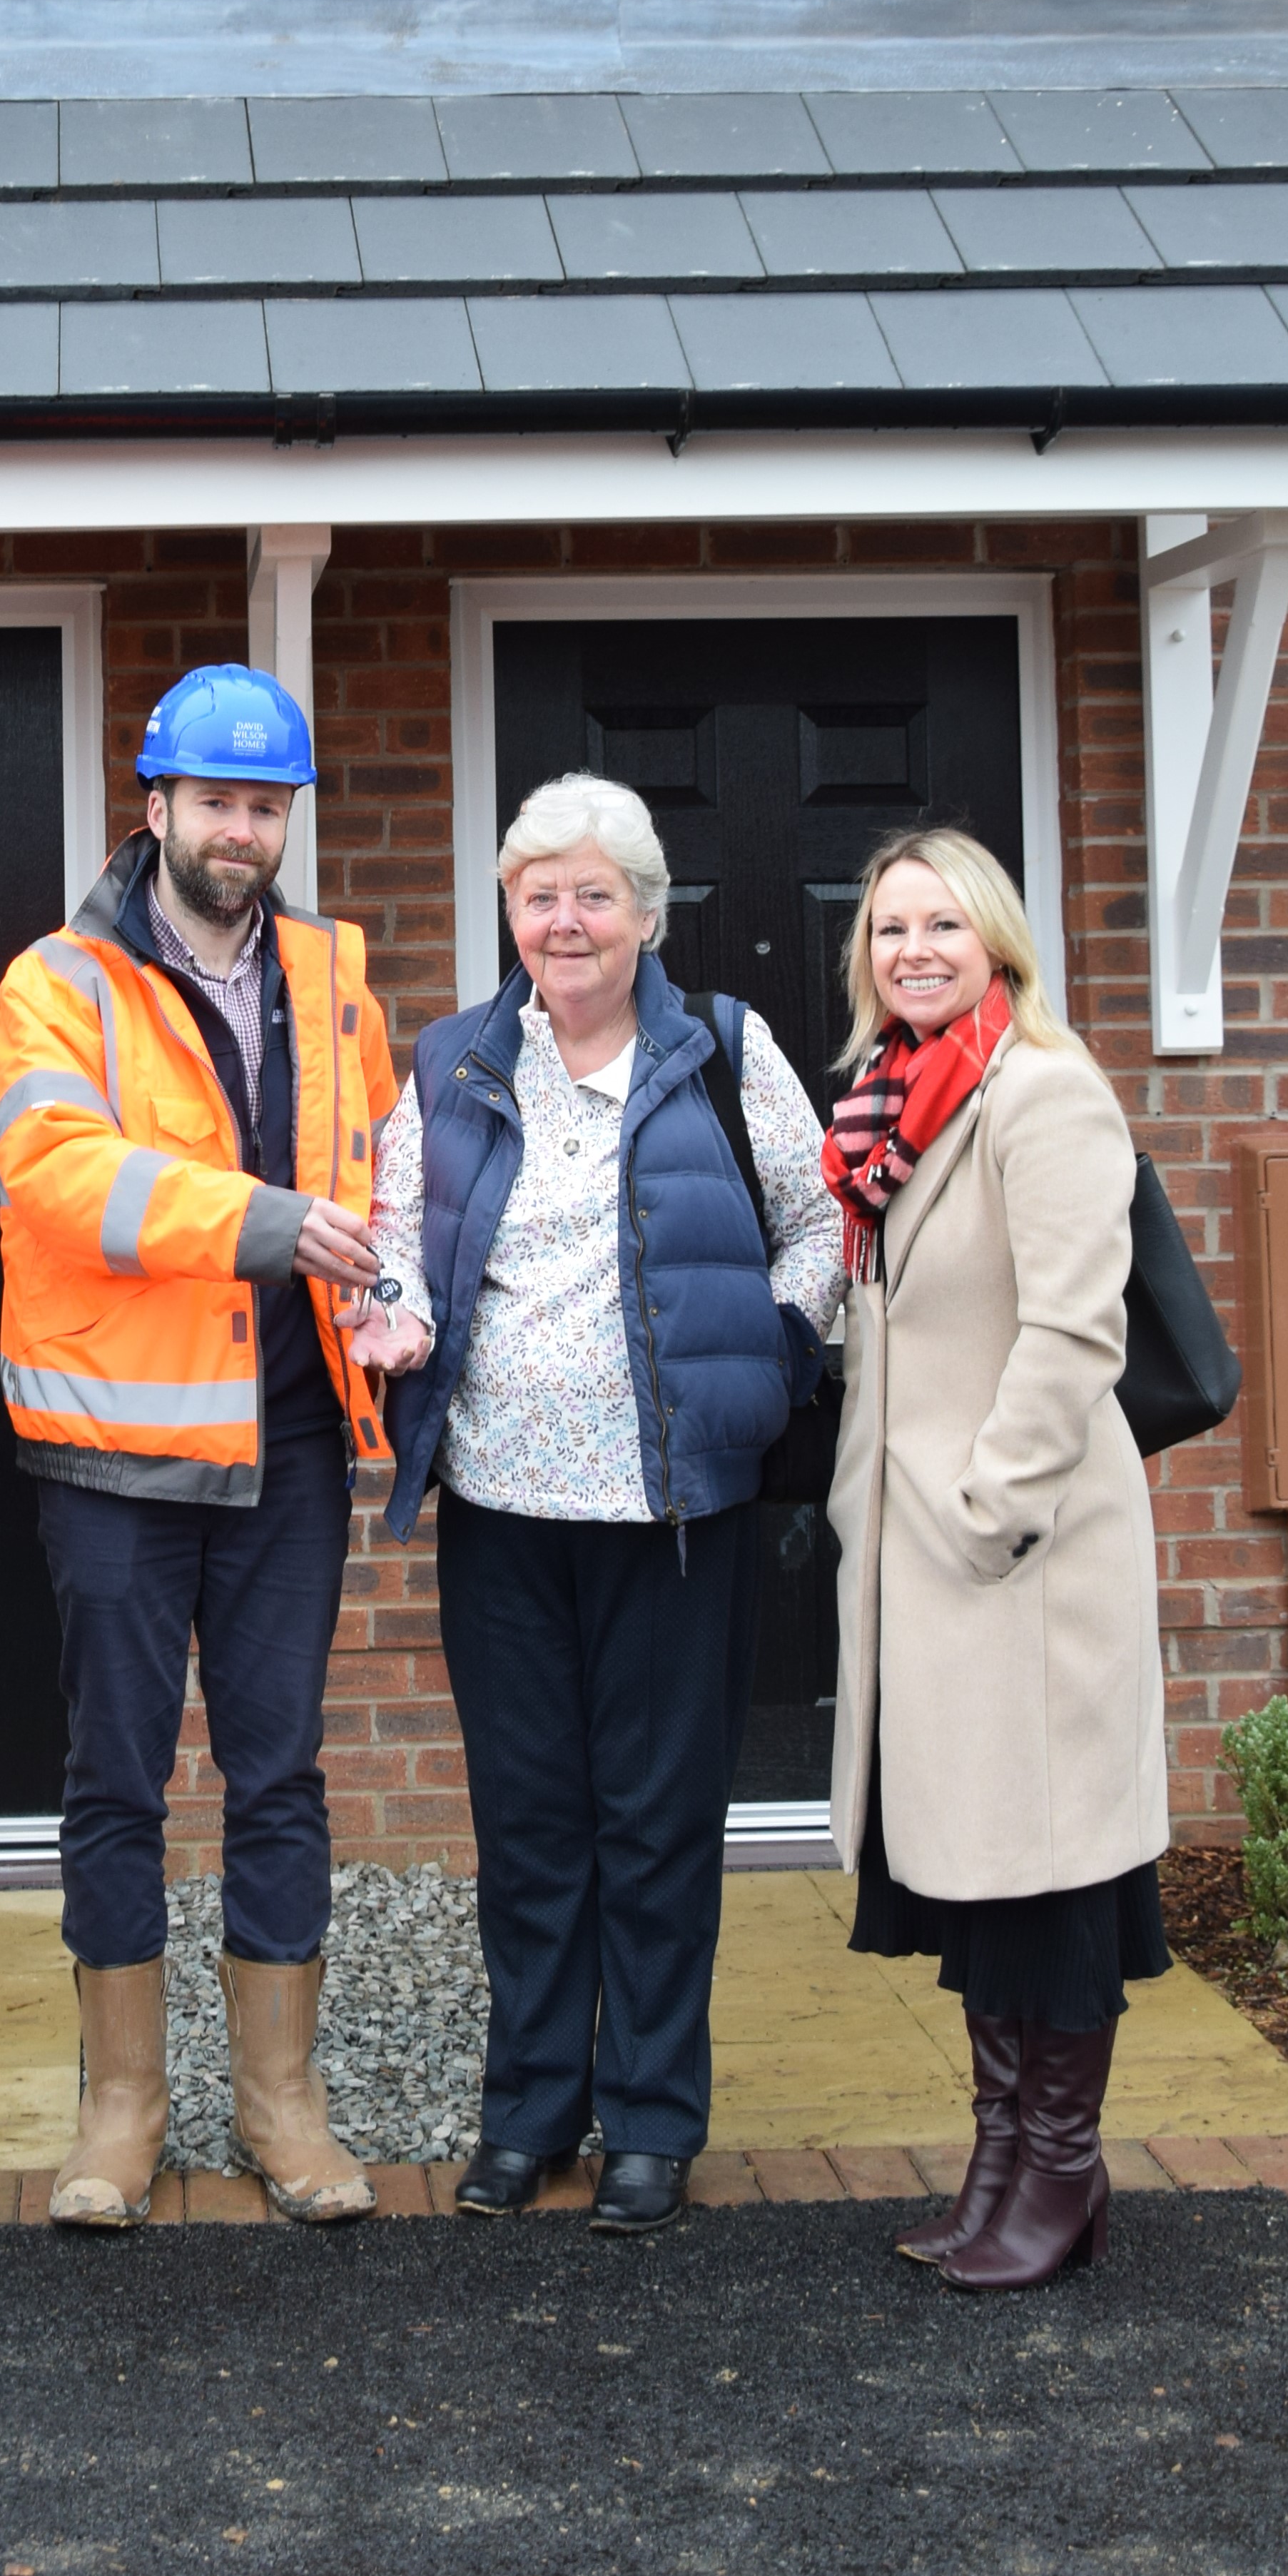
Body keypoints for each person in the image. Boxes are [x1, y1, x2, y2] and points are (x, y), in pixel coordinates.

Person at [366, 774, 843, 2233]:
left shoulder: (720, 1053)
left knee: (655, 1819)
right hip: (501, 1506)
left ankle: (647, 2113)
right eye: (534, 893)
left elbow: (820, 1214)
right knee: (527, 1823)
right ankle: (528, 2110)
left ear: (645, 911)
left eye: (590, 893)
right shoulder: (450, 1059)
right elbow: (393, 1228)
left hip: (670, 1511)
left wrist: (770, 1354)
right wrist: (386, 1308)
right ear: (507, 910)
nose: (560, 921)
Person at [0, 663, 399, 2230]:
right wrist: (276, 1226)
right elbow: (61, 1172)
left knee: (280, 1769)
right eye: (217, 799)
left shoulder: (329, 970)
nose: (243, 828)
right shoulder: (54, 981)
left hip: (293, 1438)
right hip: (118, 1450)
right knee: (116, 1778)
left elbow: (377, 1155)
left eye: (266, 802)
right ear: (150, 804)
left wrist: (394, 1289)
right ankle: (121, 2105)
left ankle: (281, 2102)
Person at [822, 824, 1170, 2295]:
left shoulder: (1043, 1090)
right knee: (979, 1878)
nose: (911, 948)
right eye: (889, 928)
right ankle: (998, 2161)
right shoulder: (891, 1102)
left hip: (1022, 1554)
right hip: (923, 1555)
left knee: (1046, 1877)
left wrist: (989, 1505)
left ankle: (1063, 2169)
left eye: (939, 926)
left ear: (996, 946)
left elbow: (1074, 1328)